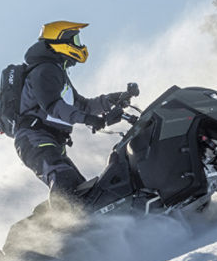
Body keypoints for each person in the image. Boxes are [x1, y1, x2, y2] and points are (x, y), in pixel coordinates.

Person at [12, 21, 136, 203]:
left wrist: (114, 99)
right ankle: (65, 228)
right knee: (64, 180)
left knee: (85, 194)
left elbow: (82, 105)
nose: (80, 45)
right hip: (34, 139)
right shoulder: (44, 71)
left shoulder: (57, 73)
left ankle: (80, 223)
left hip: (50, 141)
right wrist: (90, 120)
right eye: (75, 40)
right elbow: (54, 107)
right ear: (61, 42)